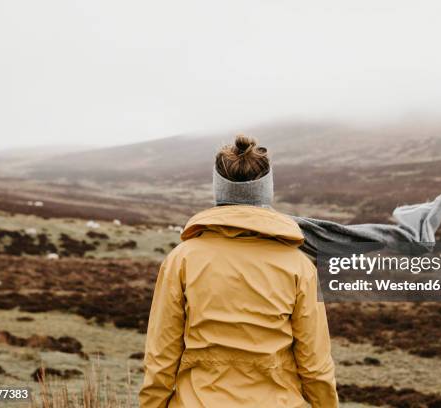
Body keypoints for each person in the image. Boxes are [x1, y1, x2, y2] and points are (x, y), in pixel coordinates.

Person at [139, 135, 339, 407]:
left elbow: (160, 357)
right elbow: (315, 365)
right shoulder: (298, 266)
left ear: (218, 191)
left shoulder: (182, 259)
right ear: (267, 190)